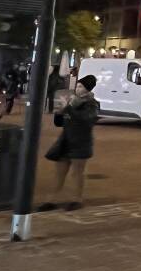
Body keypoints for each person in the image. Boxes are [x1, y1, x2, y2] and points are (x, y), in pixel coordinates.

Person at [39, 74, 100, 212]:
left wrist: (69, 108)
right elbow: (59, 123)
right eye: (77, 86)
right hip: (65, 141)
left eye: (80, 86)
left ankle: (77, 199)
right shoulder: (71, 102)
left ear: (87, 89)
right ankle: (51, 200)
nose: (77, 89)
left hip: (81, 142)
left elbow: (87, 120)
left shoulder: (92, 103)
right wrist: (60, 111)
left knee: (77, 173)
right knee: (59, 173)